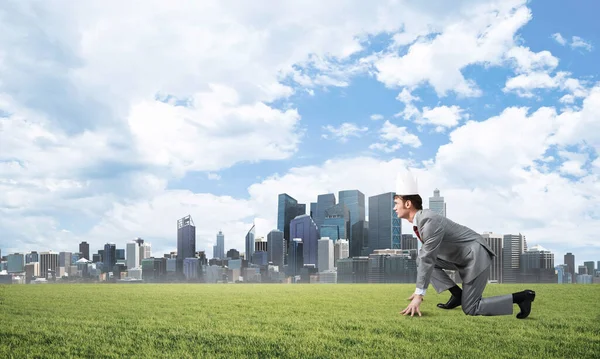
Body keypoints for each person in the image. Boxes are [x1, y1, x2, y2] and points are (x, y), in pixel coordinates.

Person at [394, 170, 536, 318]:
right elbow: (425, 258)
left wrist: (419, 295)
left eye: (396, 203)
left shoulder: (429, 221)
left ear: (408, 203)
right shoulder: (422, 222)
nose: (394, 208)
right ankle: (457, 295)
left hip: (475, 256)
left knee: (471, 308)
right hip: (461, 257)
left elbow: (427, 257)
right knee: (420, 258)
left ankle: (522, 297)